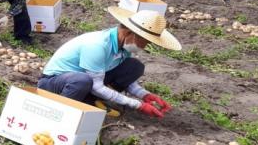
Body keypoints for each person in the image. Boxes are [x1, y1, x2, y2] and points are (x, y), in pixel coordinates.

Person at [37, 7, 181, 119]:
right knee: (82, 81)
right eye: (144, 41)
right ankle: (61, 111)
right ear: (129, 33)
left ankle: (89, 100)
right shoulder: (98, 45)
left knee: (134, 66)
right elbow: (96, 85)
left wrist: (144, 95)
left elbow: (116, 79)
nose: (144, 46)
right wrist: (137, 105)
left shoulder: (123, 47)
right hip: (54, 83)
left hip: (85, 80)